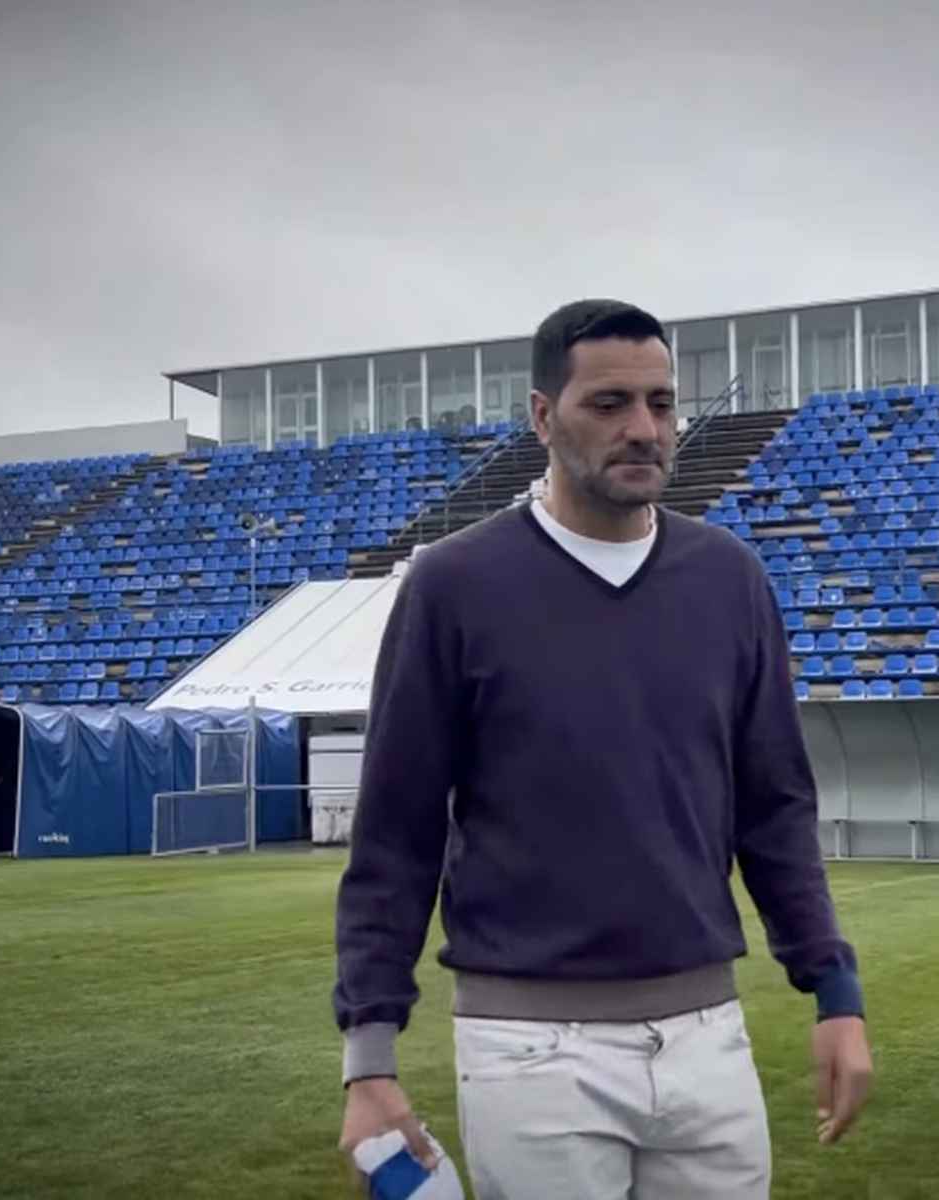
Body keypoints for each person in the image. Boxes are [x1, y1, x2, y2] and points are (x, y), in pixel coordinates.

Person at [334, 299, 872, 1197]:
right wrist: (369, 1059)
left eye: (661, 404)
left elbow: (775, 809)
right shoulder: (454, 584)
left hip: (708, 1033)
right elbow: (395, 833)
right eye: (609, 403)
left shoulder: (729, 578)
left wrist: (835, 992)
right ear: (543, 416)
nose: (643, 428)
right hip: (529, 1048)